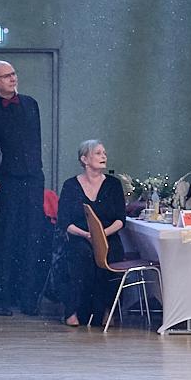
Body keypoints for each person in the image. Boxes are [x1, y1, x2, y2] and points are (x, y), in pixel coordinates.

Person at [0, 60, 48, 316]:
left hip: (33, 179)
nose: (13, 78)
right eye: (6, 75)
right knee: (7, 237)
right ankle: (2, 298)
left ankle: (28, 298)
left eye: (13, 73)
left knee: (32, 236)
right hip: (8, 181)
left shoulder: (31, 104)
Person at [56, 140, 127, 328]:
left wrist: (101, 235)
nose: (104, 156)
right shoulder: (71, 185)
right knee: (81, 255)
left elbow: (120, 219)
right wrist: (87, 235)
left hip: (108, 236)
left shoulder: (113, 184)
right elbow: (65, 222)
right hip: (81, 236)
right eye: (98, 153)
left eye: (104, 153)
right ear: (84, 159)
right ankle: (72, 311)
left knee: (111, 254)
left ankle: (107, 311)